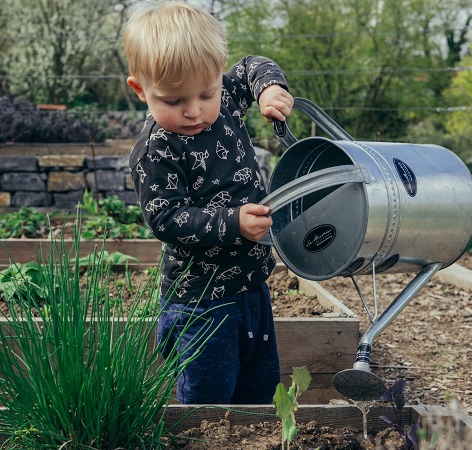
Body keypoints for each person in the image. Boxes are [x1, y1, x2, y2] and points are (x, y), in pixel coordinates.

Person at [122, 1, 294, 404]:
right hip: (200, 301)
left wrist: (269, 88)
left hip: (252, 285)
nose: (194, 111)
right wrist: (232, 222)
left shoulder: (228, 100)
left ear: (218, 77)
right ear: (139, 90)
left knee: (259, 387)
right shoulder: (156, 150)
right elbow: (166, 218)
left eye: (206, 93)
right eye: (173, 100)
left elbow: (253, 65)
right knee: (209, 398)